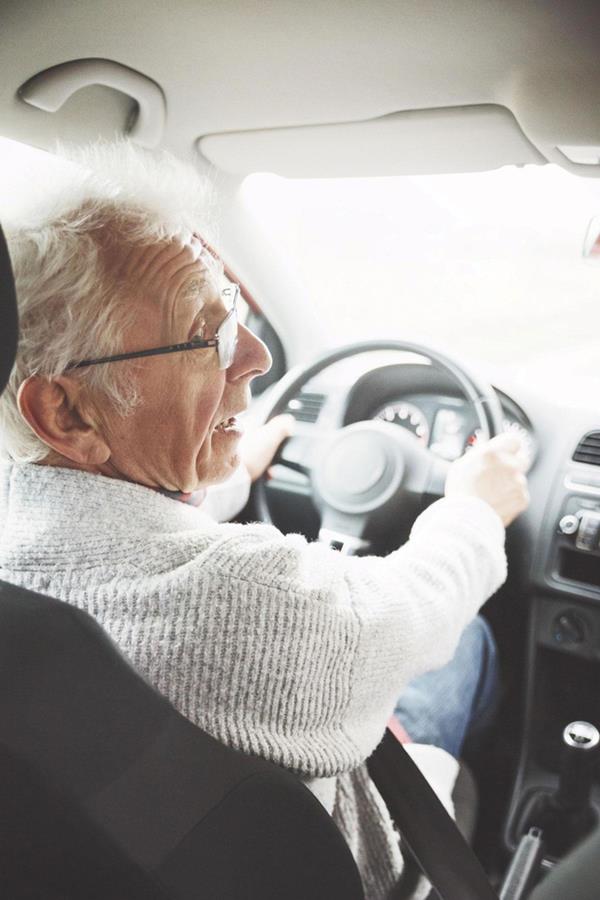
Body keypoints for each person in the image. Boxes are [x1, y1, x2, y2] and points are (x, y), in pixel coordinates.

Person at [0, 141, 529, 900]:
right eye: (205, 335)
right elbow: (415, 609)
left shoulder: (17, 532)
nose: (253, 358)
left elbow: (100, 524)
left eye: (238, 318)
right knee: (467, 640)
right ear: (67, 410)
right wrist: (474, 512)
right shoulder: (237, 599)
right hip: (359, 862)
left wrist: (230, 475)